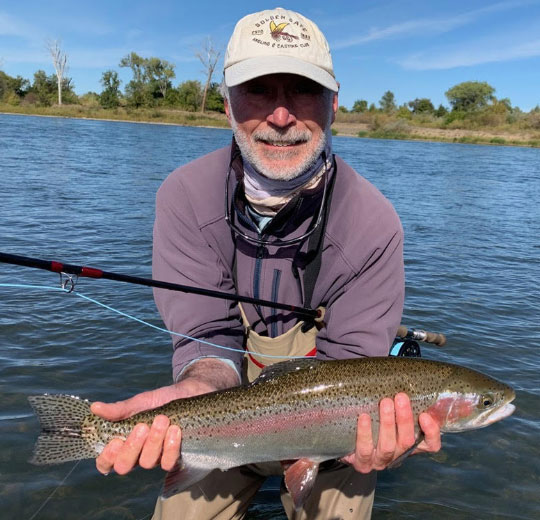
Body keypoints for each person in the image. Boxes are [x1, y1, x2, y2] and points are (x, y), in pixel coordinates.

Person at [91, 7, 441, 519]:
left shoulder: (374, 223)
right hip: (224, 421)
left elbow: (352, 370)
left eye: (302, 90)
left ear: (334, 103)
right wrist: (193, 392)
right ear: (228, 105)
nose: (281, 116)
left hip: (335, 428)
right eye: (258, 91)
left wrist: (379, 442)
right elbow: (207, 341)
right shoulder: (184, 196)